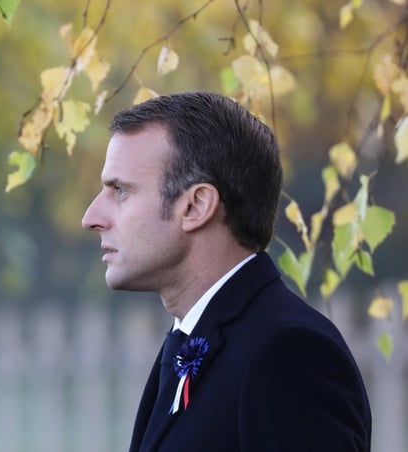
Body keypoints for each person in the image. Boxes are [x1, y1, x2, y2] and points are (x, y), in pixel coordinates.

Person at [81, 91, 372, 451]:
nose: (91, 218)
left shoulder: (287, 353)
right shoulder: (195, 338)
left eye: (120, 191)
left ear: (197, 206)